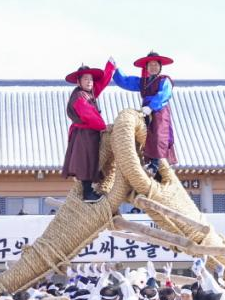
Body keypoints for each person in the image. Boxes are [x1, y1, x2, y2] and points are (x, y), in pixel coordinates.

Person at [113, 51, 176, 178]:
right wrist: (115, 69)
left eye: (155, 65)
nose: (153, 67)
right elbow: (126, 81)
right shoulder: (144, 81)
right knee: (144, 136)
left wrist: (152, 106)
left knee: (158, 134)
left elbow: (164, 95)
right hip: (145, 111)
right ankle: (148, 163)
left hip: (159, 111)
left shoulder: (165, 80)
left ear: (160, 67)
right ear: (146, 67)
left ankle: (155, 164)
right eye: (150, 65)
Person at [62, 59, 116, 202]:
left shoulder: (88, 93)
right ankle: (87, 194)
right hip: (84, 134)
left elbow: (102, 83)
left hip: (89, 133)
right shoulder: (80, 97)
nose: (89, 81)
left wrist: (110, 67)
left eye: (91, 79)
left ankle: (89, 192)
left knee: (90, 161)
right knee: (86, 161)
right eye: (86, 79)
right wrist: (104, 127)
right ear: (78, 82)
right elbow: (89, 115)